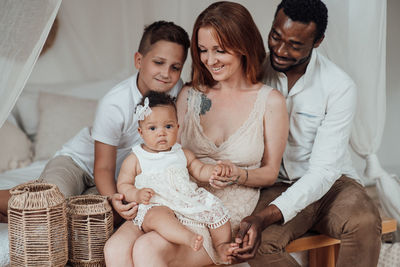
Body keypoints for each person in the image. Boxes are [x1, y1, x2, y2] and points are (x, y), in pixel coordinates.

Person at [103, 1, 288, 266]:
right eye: (202, 50)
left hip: (217, 212)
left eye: (219, 50)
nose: (209, 60)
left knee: (148, 249)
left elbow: (271, 172)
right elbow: (163, 153)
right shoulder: (190, 95)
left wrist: (239, 174)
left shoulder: (269, 101)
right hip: (167, 199)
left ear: (243, 46)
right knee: (115, 248)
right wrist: (127, 194)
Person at [231, 1, 382, 266]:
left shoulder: (339, 86)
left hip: (332, 184)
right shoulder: (255, 72)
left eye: (295, 45)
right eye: (275, 36)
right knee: (257, 243)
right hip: (274, 184)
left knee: (364, 221)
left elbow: (323, 172)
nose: (279, 49)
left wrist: (265, 216)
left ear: (318, 41)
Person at [0, 20, 191, 225]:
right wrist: (113, 201)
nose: (166, 73)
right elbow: (103, 168)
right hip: (79, 163)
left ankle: (16, 209)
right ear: (139, 60)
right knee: (50, 203)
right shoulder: (115, 103)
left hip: (116, 177)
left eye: (175, 67)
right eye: (158, 62)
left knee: (83, 218)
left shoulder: (176, 91)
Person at [116, 91, 241, 263]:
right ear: (141, 132)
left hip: (184, 199)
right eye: (152, 128)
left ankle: (221, 246)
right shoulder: (136, 158)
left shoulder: (182, 153)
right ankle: (186, 237)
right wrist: (136, 195)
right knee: (158, 216)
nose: (161, 133)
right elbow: (123, 184)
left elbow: (200, 169)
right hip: (156, 203)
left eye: (168, 127)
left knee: (216, 210)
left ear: (177, 127)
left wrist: (215, 170)